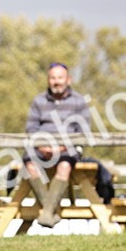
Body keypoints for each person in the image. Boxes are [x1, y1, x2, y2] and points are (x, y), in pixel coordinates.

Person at [24, 62, 92, 227]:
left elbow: (83, 131)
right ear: (48, 80)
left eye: (60, 78)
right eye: (53, 78)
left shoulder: (79, 101)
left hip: (67, 149)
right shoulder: (38, 101)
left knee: (64, 166)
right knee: (29, 165)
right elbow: (31, 128)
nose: (56, 81)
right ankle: (50, 212)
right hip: (41, 148)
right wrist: (42, 147)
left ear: (68, 80)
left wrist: (60, 148)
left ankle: (47, 213)